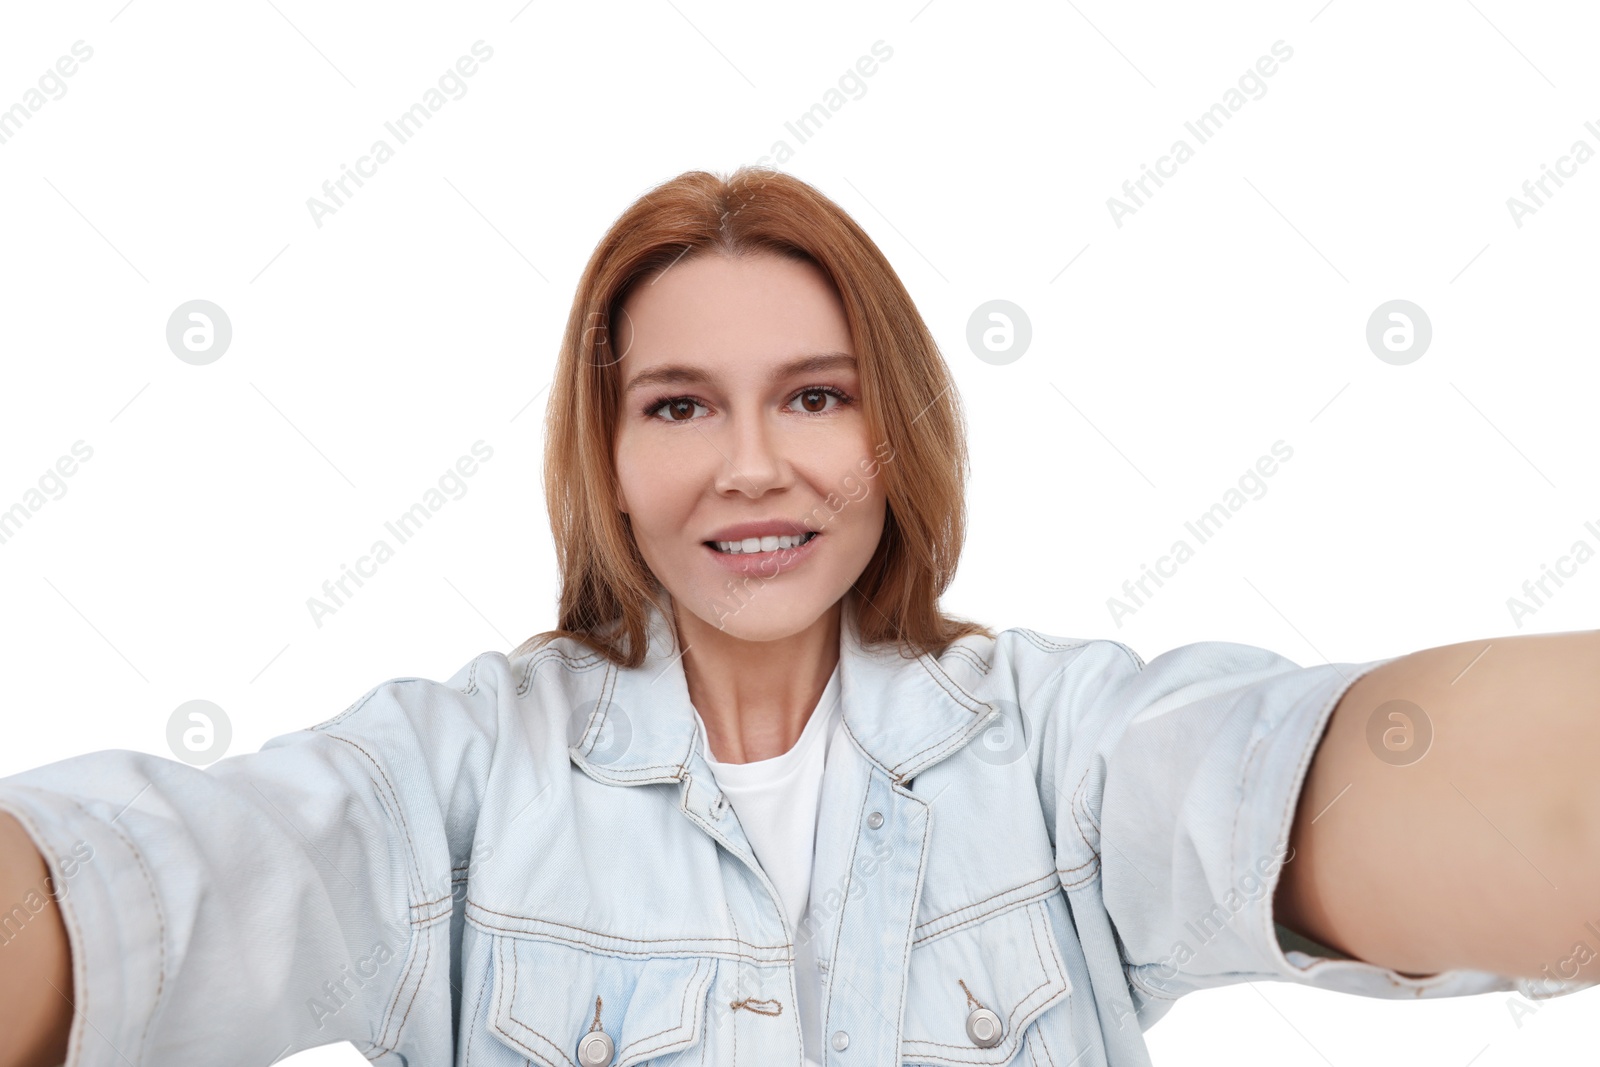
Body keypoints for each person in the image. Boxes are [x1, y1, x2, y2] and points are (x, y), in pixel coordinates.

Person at [1, 167, 1595, 1067]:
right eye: (681, 406)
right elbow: (163, 886)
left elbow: (1327, 779)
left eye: (814, 397)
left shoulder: (1058, 754)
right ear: (609, 462)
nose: (753, 467)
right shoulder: (447, 788)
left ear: (889, 432)